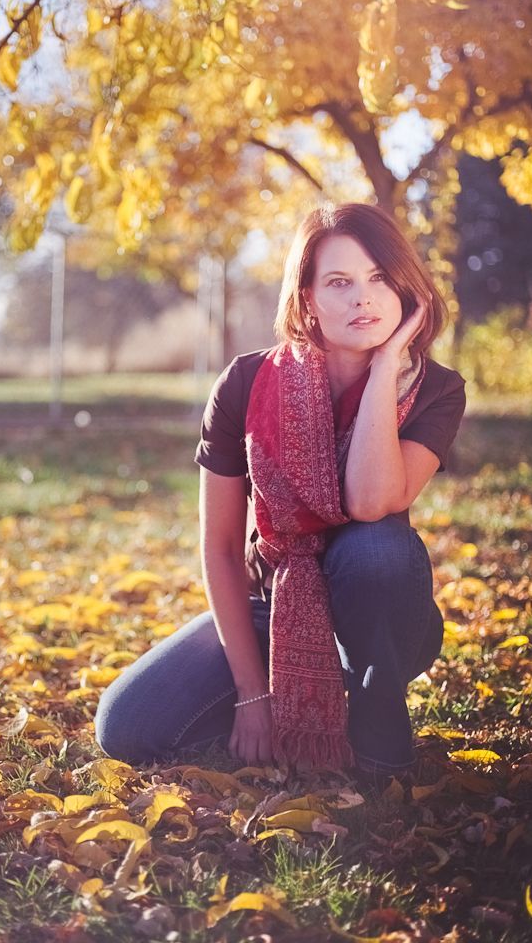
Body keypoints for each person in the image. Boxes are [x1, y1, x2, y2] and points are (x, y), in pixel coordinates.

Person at [94, 203, 466, 784]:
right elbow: (220, 548)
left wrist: (386, 366)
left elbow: (371, 503)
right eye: (338, 282)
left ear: (406, 290)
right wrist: (251, 694)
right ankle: (303, 703)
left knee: (376, 545)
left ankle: (378, 737)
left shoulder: (435, 389)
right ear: (307, 297)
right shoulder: (244, 384)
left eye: (379, 279)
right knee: (126, 726)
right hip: (275, 604)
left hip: (384, 618)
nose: (362, 299)